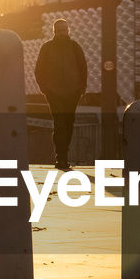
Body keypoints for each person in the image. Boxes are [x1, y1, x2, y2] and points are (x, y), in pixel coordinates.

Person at [34, 18, 88, 170]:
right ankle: (61, 157)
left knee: (69, 122)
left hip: (73, 92)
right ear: (54, 31)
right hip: (54, 93)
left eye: (65, 30)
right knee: (59, 124)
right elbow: (39, 70)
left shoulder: (75, 47)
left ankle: (64, 155)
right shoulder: (47, 48)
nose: (62, 33)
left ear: (68, 30)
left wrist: (81, 88)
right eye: (59, 30)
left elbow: (83, 67)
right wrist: (45, 88)